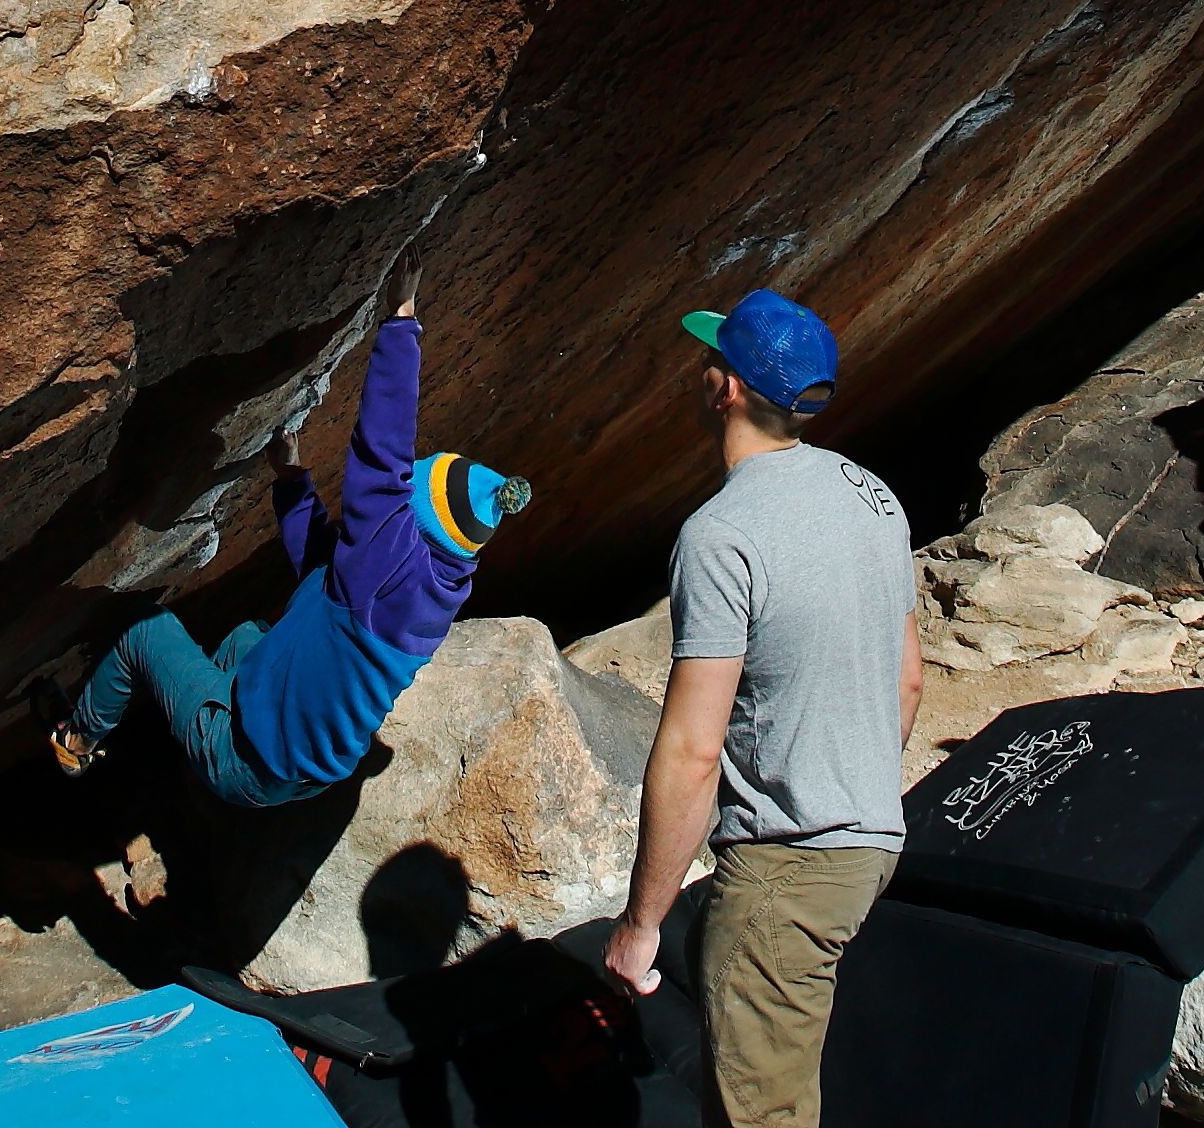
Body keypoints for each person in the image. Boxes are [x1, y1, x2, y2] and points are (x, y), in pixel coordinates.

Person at [602, 289, 918, 1128]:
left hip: (790, 864)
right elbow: (907, 682)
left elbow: (693, 750)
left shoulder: (722, 533)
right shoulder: (874, 497)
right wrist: (855, 794)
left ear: (725, 389)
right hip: (869, 844)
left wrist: (641, 926)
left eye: (709, 362)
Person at [50, 270, 528, 805]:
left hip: (243, 756)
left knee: (143, 630)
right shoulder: (438, 586)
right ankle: (186, 720)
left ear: (414, 519)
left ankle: (77, 741)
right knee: (245, 638)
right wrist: (293, 481)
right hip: (298, 774)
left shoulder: (389, 560)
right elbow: (327, 573)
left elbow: (381, 451)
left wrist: (401, 319)